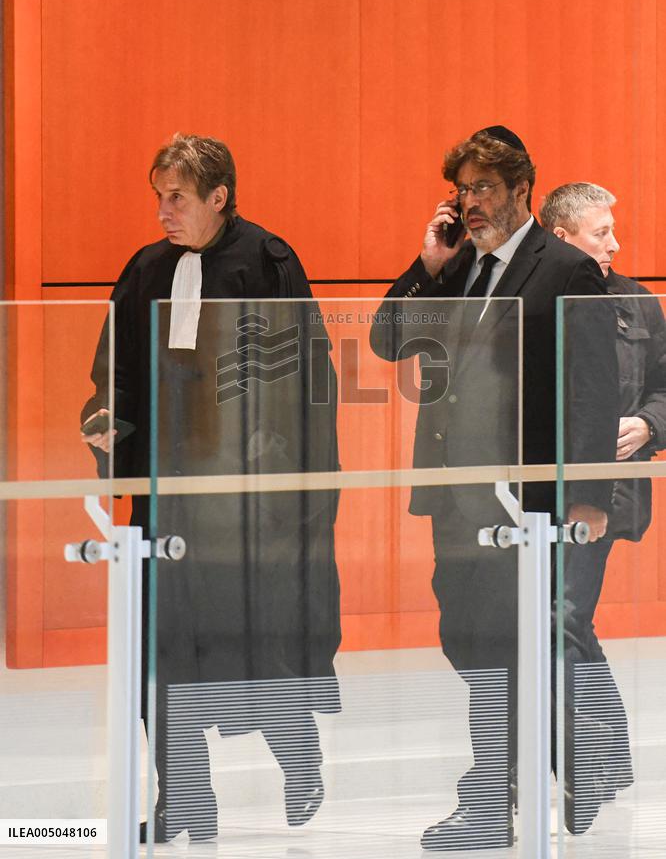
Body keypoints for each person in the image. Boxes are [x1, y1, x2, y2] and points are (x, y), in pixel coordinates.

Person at [81, 134, 341, 843]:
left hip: (246, 504)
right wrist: (106, 418)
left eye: (178, 198)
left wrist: (278, 451)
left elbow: (311, 376)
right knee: (159, 650)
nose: (164, 212)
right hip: (170, 493)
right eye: (158, 197)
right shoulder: (146, 269)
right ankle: (185, 796)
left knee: (249, 645)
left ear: (219, 197)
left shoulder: (267, 261)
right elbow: (117, 371)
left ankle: (300, 758)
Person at [371, 126, 619, 850]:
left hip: (526, 504)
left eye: (483, 188)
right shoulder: (456, 267)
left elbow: (594, 388)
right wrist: (426, 264)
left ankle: (491, 797)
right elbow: (389, 339)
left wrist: (591, 494)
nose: (469, 203)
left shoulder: (565, 268)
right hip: (456, 495)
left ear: (521, 192)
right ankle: (576, 753)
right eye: (461, 189)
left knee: (507, 648)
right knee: (471, 643)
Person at [540, 181, 666, 822]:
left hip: (603, 490)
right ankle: (609, 753)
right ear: (562, 239)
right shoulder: (532, 299)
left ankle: (588, 762)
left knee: (560, 616)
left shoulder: (639, 304)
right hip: (530, 491)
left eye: (614, 230)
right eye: (601, 233)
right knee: (563, 621)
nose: (616, 244)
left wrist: (650, 423)